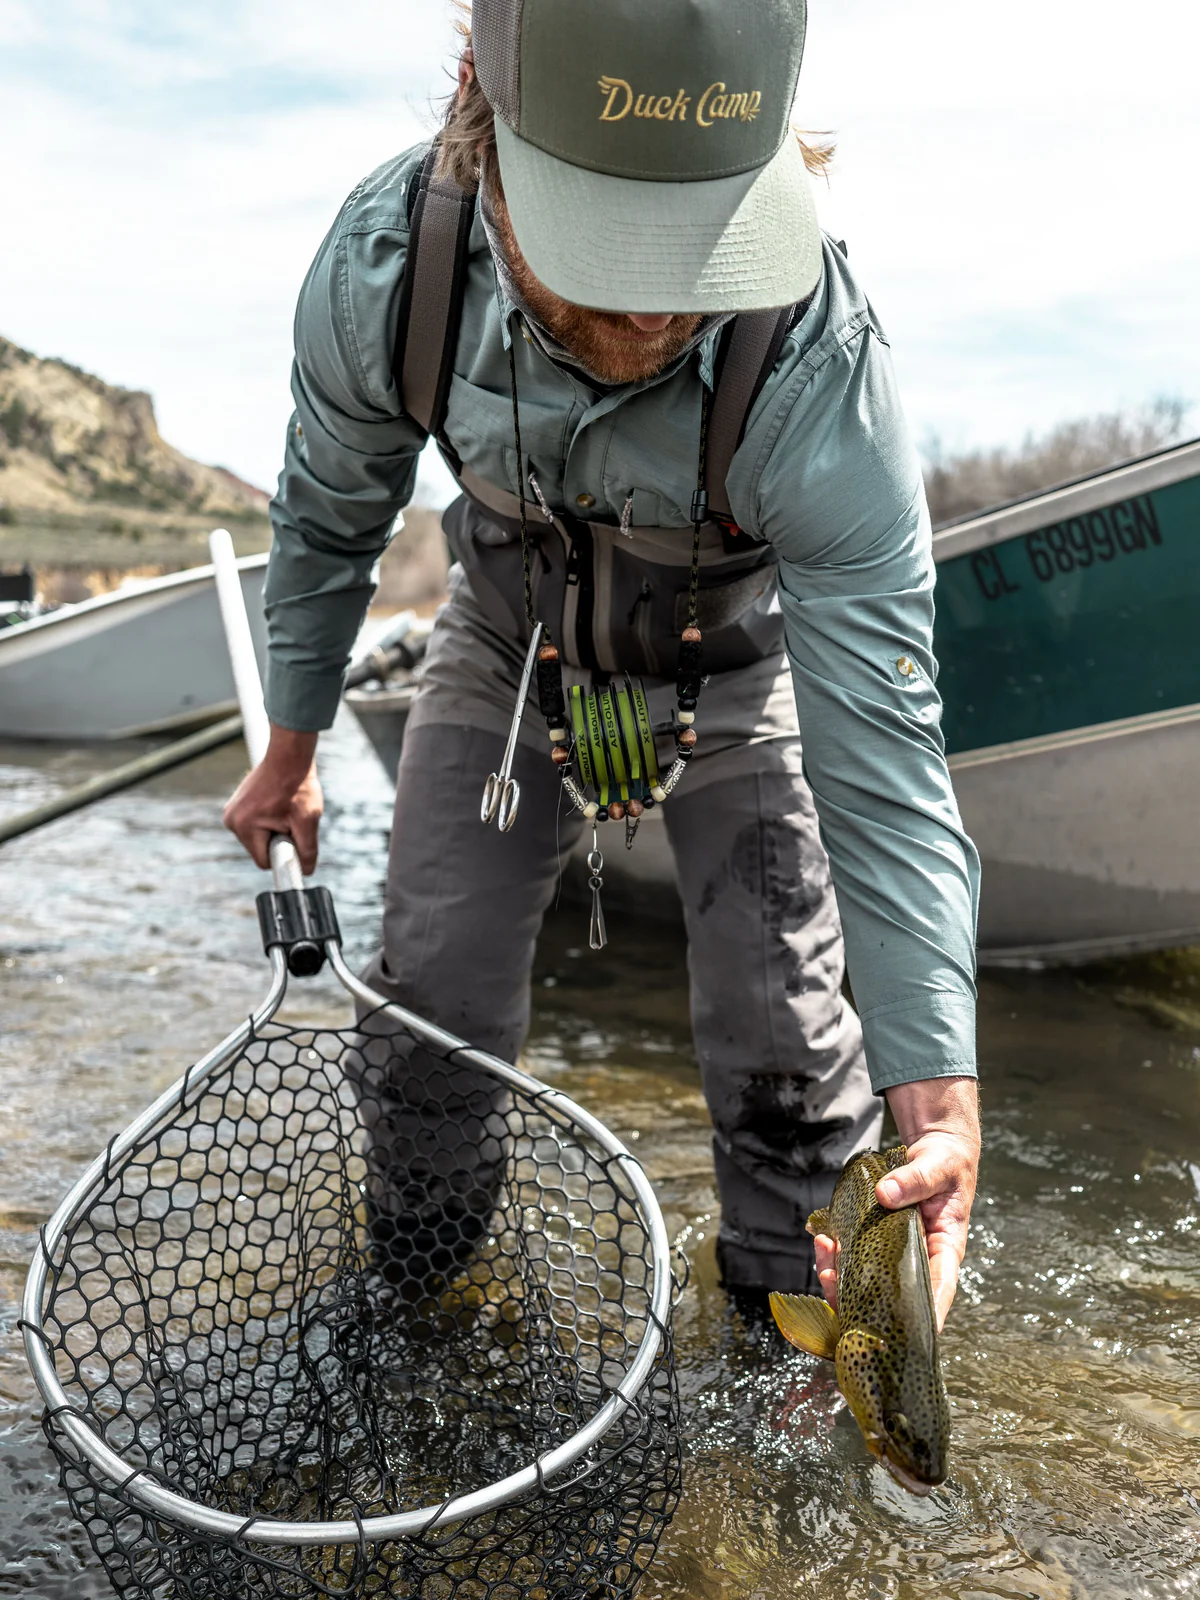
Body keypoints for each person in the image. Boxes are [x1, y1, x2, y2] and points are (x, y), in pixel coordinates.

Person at [224, 0, 981, 1324]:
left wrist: (941, 1084)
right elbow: (328, 521)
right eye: (603, 241)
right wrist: (288, 756)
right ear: (479, 104)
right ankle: (427, 1303)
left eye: (688, 244)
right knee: (430, 1010)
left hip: (737, 672)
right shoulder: (386, 270)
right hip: (506, 642)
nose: (646, 306)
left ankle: (788, 1355)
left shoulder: (823, 363)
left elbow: (887, 748)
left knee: (788, 1048)